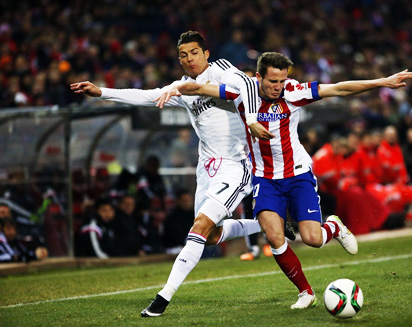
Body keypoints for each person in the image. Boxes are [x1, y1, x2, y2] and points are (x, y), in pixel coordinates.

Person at [157, 52, 412, 309]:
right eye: (272, 82)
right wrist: (174, 87)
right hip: (265, 179)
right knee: (274, 236)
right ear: (258, 77)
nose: (278, 87)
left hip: (298, 175)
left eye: (282, 81)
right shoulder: (240, 94)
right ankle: (305, 292)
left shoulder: (293, 92)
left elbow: (338, 89)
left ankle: (334, 228)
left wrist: (382, 81)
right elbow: (200, 87)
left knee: (312, 239)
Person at [71, 31, 271, 317]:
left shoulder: (222, 70)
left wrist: (250, 119)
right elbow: (146, 96)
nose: (189, 59)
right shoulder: (183, 87)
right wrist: (102, 92)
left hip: (235, 164)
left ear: (206, 53)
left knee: (198, 227)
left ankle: (162, 298)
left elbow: (247, 88)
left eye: (193, 52)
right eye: (183, 55)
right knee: (210, 235)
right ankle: (266, 223)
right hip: (206, 168)